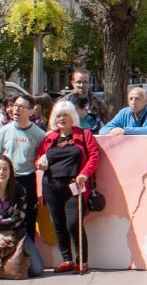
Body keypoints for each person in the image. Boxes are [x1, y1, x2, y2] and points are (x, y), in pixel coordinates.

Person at [34, 101, 99, 273]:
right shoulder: (49, 138)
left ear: (72, 118)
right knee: (58, 223)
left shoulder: (84, 134)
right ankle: (67, 260)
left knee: (73, 223)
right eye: (59, 116)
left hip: (74, 186)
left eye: (65, 115)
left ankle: (82, 261)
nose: (62, 119)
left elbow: (94, 156)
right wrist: (40, 163)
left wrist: (85, 173)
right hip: (52, 186)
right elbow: (39, 158)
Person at [0, 95, 46, 242]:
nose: (16, 109)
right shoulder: (4, 130)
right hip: (7, 180)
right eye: (15, 105)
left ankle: (27, 252)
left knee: (28, 217)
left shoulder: (39, 134)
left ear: (31, 111)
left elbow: (43, 156)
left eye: (21, 107)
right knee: (6, 215)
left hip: (27, 179)